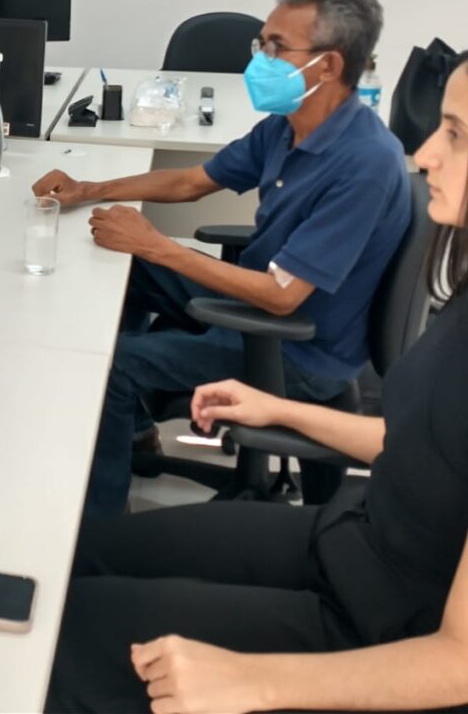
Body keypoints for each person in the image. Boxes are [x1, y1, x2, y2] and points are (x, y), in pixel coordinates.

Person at [45, 51, 468, 714]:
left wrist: (253, 680)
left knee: (62, 639)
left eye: (456, 135)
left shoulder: (361, 161)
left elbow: (460, 663)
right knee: (77, 558)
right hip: (350, 535)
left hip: (379, 624)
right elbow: (424, 446)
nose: (424, 155)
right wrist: (280, 410)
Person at [33, 0, 410, 515]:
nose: (262, 58)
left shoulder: (363, 163)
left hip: (296, 348)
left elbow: (282, 297)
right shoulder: (290, 124)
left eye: (278, 48)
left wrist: (156, 245)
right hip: (252, 302)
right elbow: (192, 182)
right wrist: (87, 190)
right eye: (262, 42)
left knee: (112, 367)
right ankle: (135, 433)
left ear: (327, 65)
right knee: (126, 268)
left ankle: (99, 528)